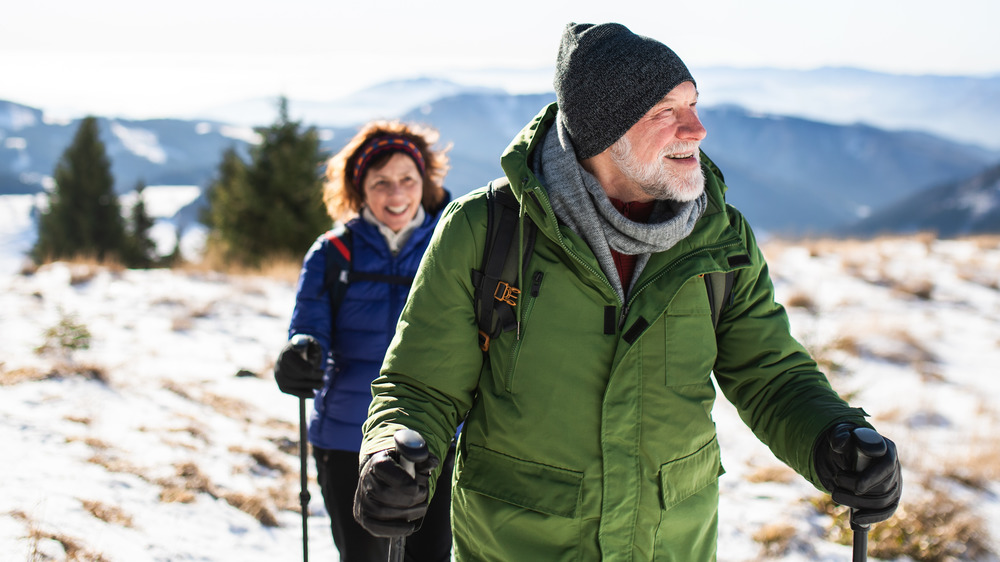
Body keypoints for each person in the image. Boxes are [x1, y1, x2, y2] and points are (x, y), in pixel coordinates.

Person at [353, 23, 902, 561]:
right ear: (605, 132)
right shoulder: (488, 228)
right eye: (667, 112)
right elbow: (422, 385)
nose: (697, 129)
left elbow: (771, 376)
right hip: (519, 545)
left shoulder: (719, 237)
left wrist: (834, 435)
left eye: (693, 104)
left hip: (671, 544)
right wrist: (390, 450)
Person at [274, 120, 455, 561]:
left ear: (424, 183)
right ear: (360, 189)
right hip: (347, 437)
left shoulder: (451, 245)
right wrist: (301, 352)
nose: (396, 195)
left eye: (407, 180)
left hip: (437, 436)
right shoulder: (333, 253)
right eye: (381, 183)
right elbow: (309, 324)